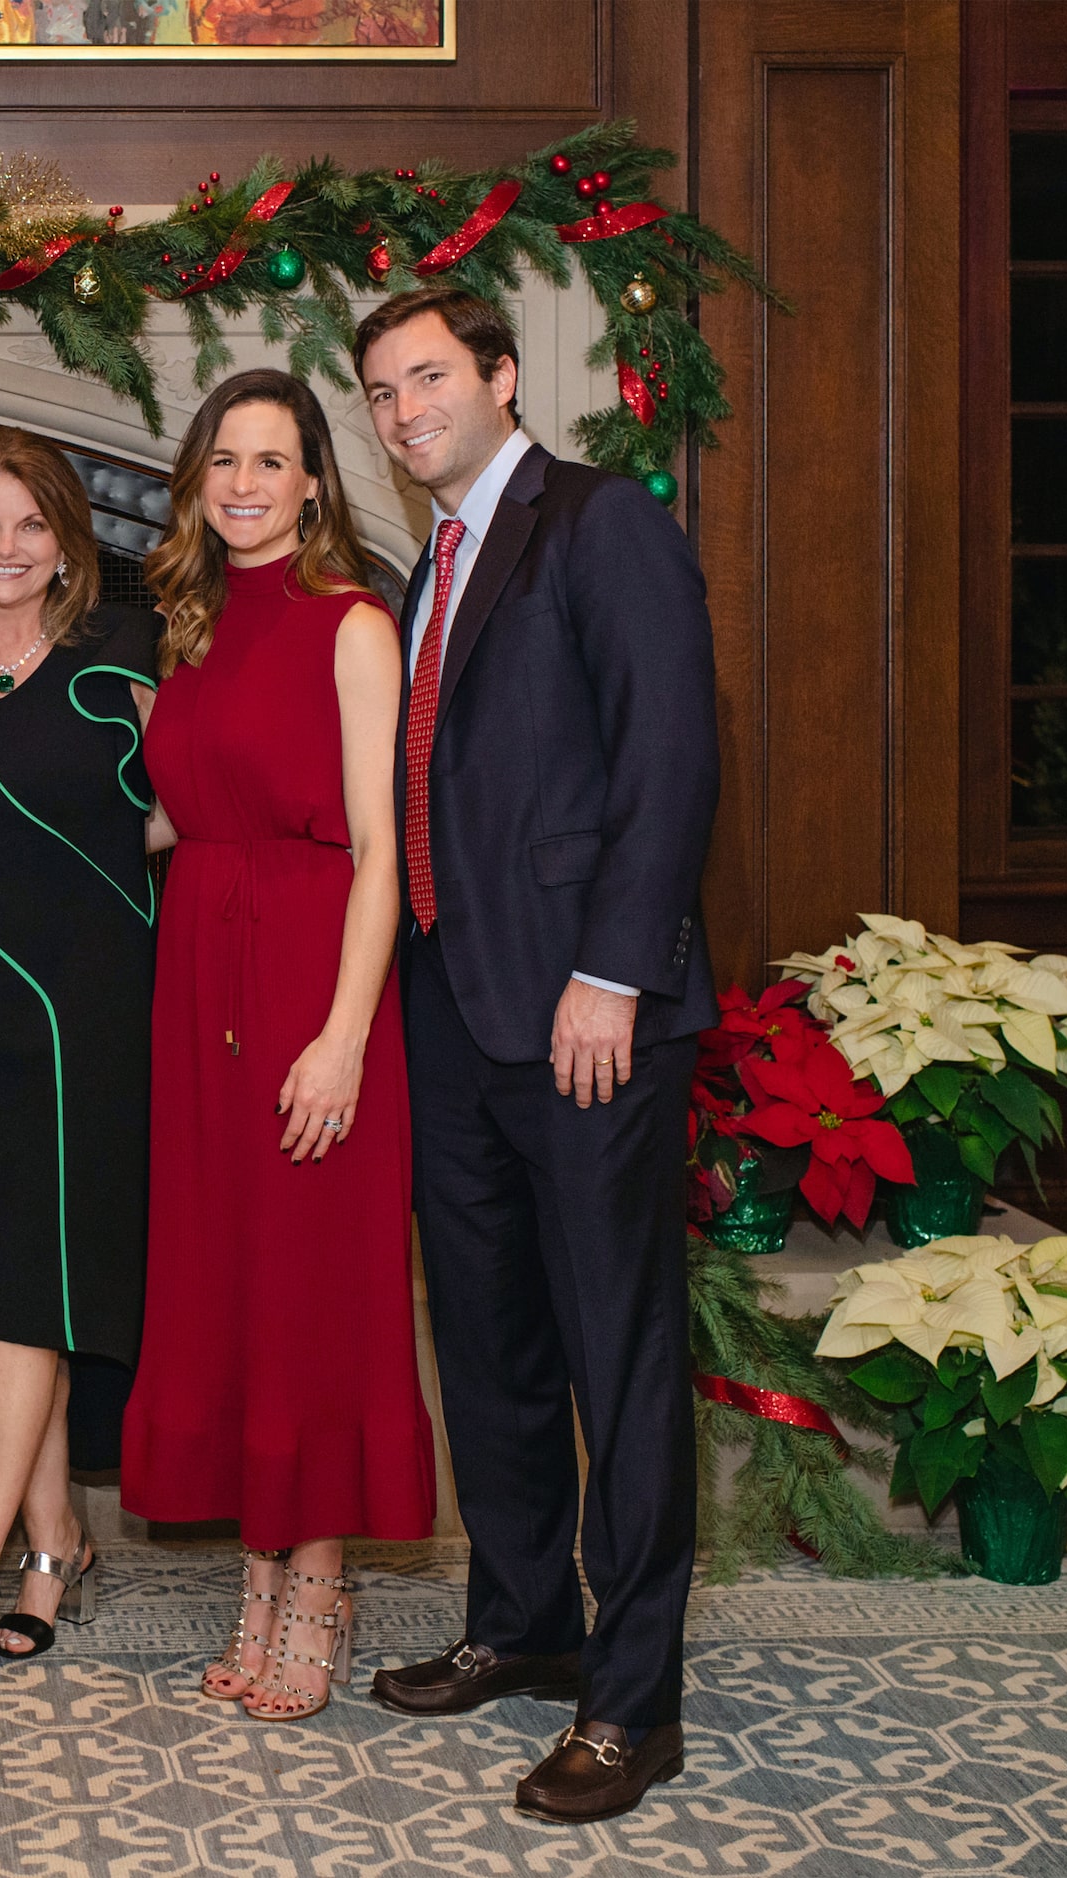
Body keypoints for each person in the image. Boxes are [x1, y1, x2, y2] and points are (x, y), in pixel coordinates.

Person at [354, 286, 718, 1822]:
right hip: (456, 1009)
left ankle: (633, 1703)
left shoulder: (598, 522)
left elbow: (671, 753)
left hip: (584, 1016)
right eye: (377, 392)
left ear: (502, 376)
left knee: (615, 1353)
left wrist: (612, 973)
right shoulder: (425, 565)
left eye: (427, 376)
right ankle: (523, 1620)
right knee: (494, 1340)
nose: (400, 409)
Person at [120, 368, 438, 1722]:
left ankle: (317, 1584)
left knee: (312, 1287)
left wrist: (345, 1038)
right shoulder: (184, 631)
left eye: (273, 460)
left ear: (315, 479)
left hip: (315, 970)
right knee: (230, 1280)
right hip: (200, 973)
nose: (245, 484)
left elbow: (380, 848)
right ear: (197, 482)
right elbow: (179, 816)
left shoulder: (351, 623)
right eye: (223, 462)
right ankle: (260, 1573)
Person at [0, 429, 162, 1713]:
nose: (5, 547)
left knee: (20, 1295)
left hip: (88, 1021)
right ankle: (55, 1543)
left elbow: (183, 819)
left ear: (69, 545)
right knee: (9, 1287)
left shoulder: (124, 672)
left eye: (32, 526)